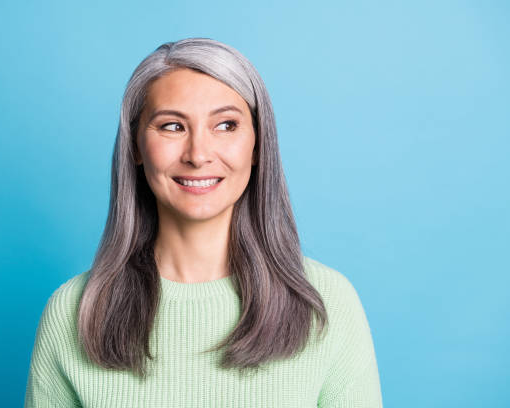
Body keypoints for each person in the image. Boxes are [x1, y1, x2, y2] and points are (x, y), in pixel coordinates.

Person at [24, 37, 383, 407]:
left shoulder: (327, 305)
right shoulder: (73, 312)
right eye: (172, 127)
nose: (198, 155)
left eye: (226, 125)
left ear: (258, 144)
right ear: (134, 147)